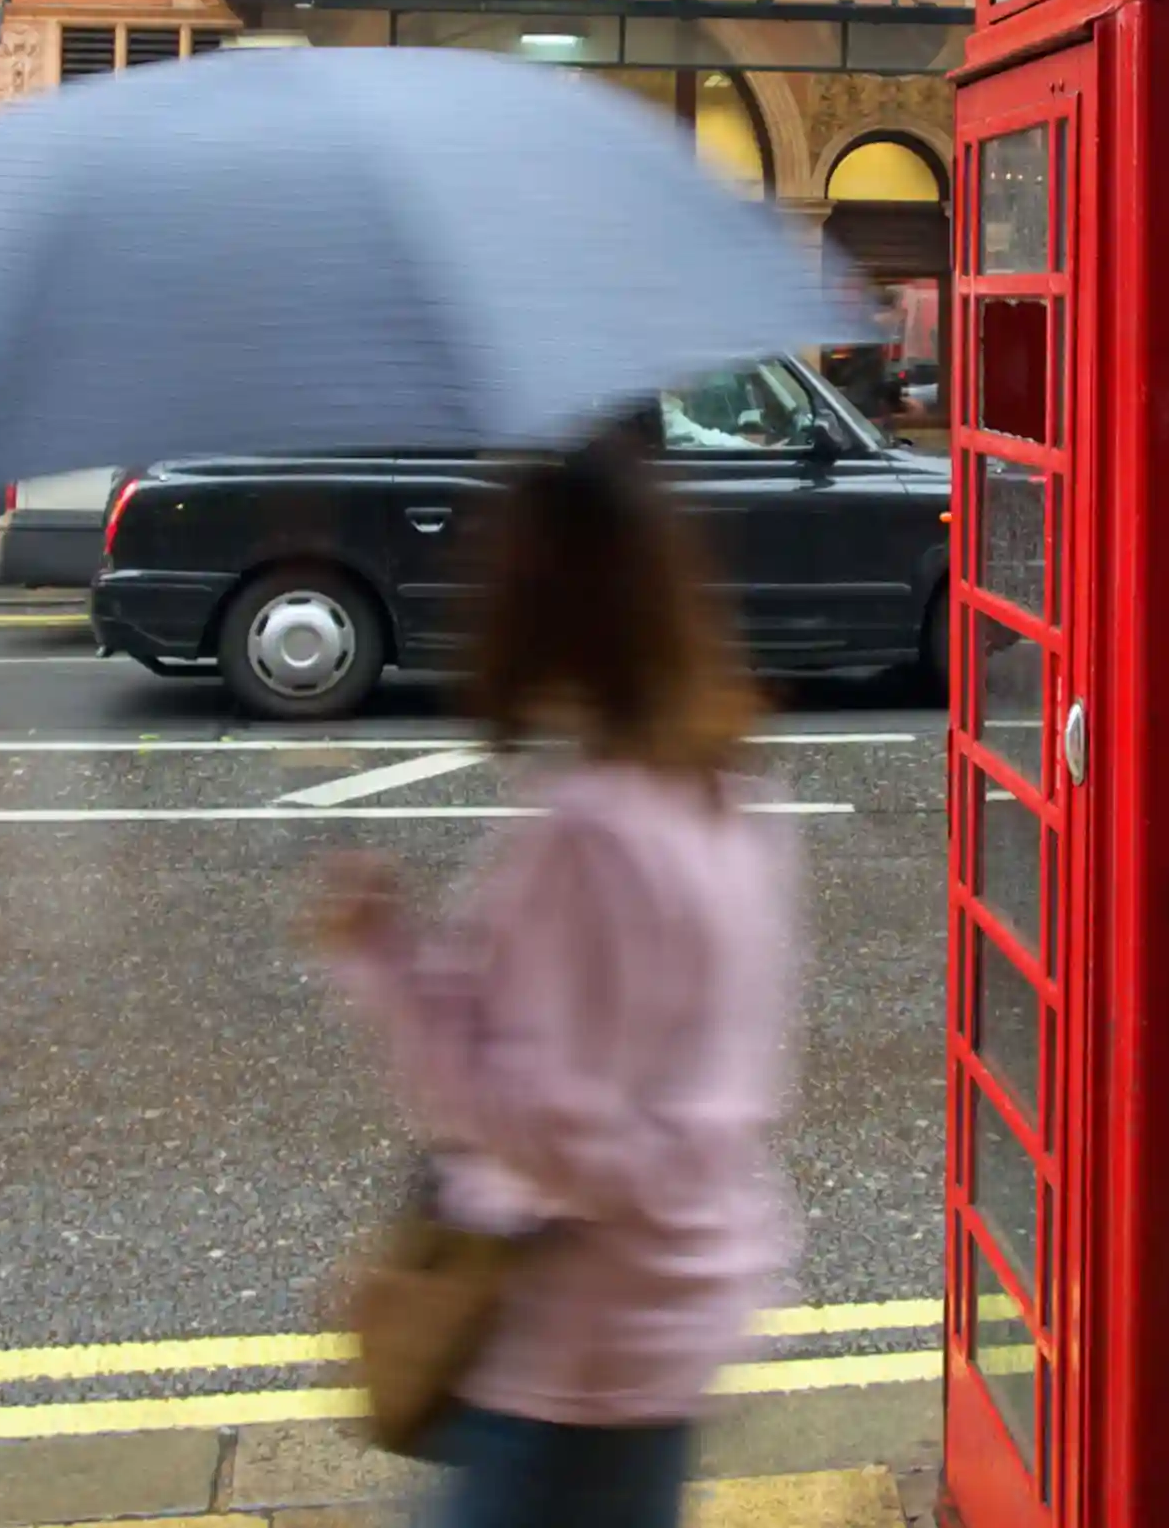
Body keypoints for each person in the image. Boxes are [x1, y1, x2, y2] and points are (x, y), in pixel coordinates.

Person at [313, 436, 801, 1528]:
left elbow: (549, 1131)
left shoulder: (588, 831)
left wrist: (384, 963)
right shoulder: (726, 786)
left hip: (571, 1347)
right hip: (674, 1314)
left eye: (499, 565)